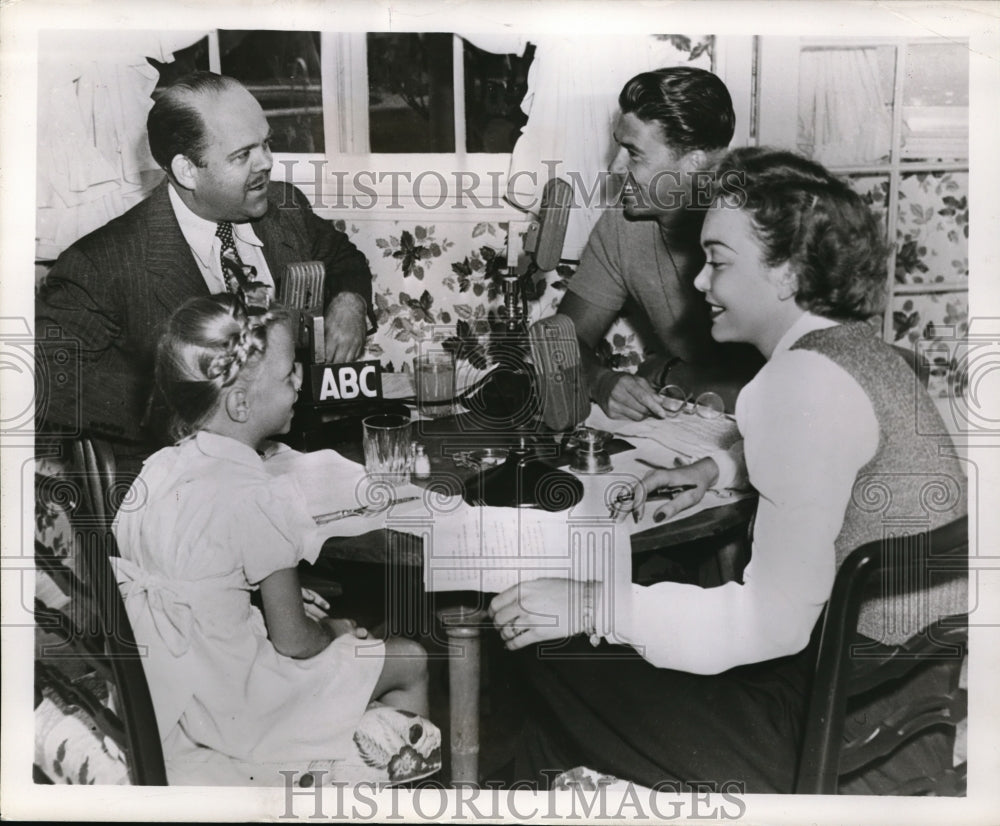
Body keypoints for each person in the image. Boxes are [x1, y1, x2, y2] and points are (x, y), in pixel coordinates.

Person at [489, 147, 967, 792]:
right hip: (905, 699)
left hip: (826, 730)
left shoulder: (793, 383)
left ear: (787, 271)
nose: (697, 283)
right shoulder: (863, 353)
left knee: (549, 638)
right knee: (624, 608)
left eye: (717, 261)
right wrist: (717, 466)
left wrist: (588, 603)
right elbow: (838, 452)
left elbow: (768, 627)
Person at [112, 294, 434, 783]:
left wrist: (256, 599)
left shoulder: (156, 470)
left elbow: (193, 580)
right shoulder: (255, 494)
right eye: (289, 376)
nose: (301, 383)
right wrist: (339, 630)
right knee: (410, 657)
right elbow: (295, 643)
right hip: (240, 706)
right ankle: (402, 793)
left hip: (173, 688)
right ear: (241, 404)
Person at [36, 71, 374, 450]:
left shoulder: (287, 207)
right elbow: (48, 380)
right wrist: (192, 401)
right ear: (187, 171)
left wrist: (350, 302)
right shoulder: (101, 264)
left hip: (301, 450)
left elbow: (343, 257)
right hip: (184, 472)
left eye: (266, 143)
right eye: (242, 155)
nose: (265, 163)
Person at [558, 66, 762, 421]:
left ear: (695, 165)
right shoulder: (622, 225)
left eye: (633, 154)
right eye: (618, 148)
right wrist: (599, 381)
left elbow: (803, 382)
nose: (614, 169)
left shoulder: (766, 224)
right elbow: (559, 340)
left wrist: (669, 373)